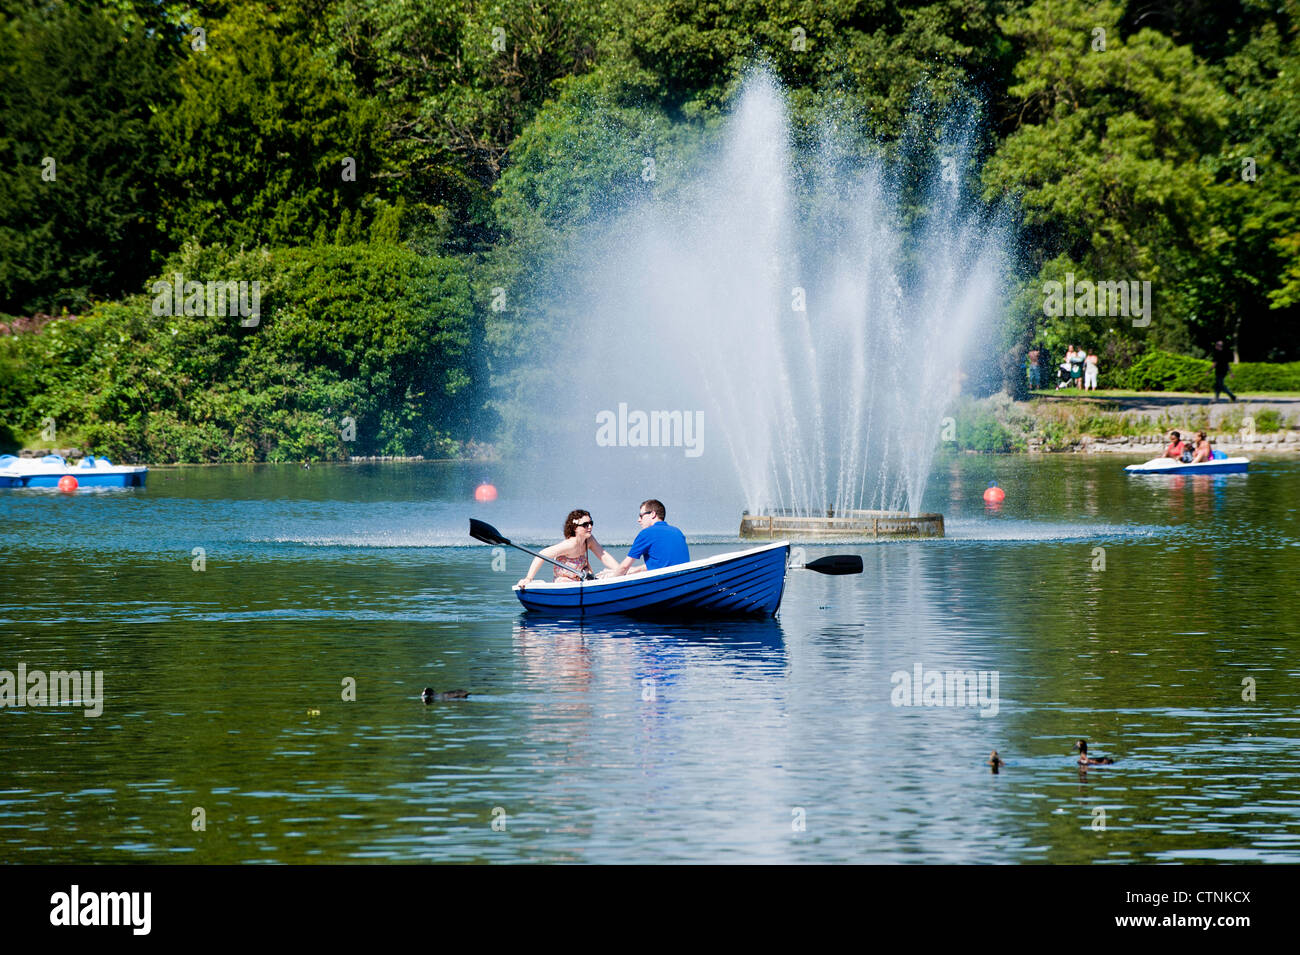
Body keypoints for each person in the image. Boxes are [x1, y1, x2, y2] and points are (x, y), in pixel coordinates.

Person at [517, 508, 621, 586]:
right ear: (575, 528)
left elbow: (604, 556)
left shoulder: (589, 540)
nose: (590, 527)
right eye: (585, 525)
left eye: (591, 523)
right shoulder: (569, 545)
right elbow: (541, 555)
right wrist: (528, 578)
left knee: (616, 572)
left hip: (583, 579)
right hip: (565, 583)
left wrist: (620, 571)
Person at [610, 499, 690, 576]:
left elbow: (624, 567)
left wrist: (610, 579)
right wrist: (634, 570)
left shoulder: (646, 533)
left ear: (653, 514)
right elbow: (665, 562)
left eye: (641, 516)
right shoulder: (677, 531)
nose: (638, 520)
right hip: (683, 576)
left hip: (664, 581)